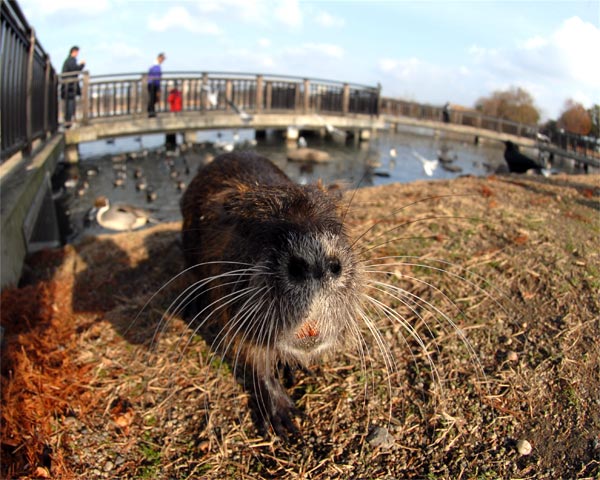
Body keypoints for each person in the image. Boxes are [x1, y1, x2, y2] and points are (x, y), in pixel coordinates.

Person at [61, 46, 86, 126]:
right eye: (77, 52)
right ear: (74, 52)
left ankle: (68, 120)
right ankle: (68, 121)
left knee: (69, 104)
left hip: (68, 87)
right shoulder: (71, 60)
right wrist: (82, 65)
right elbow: (75, 70)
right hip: (70, 87)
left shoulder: (68, 60)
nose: (77, 54)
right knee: (70, 104)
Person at [147, 52, 165, 117]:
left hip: (153, 83)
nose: (162, 61)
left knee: (153, 98)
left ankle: (151, 111)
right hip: (153, 84)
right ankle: (150, 111)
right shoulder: (155, 66)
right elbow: (156, 76)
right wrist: (158, 87)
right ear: (159, 58)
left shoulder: (155, 66)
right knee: (153, 98)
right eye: (162, 59)